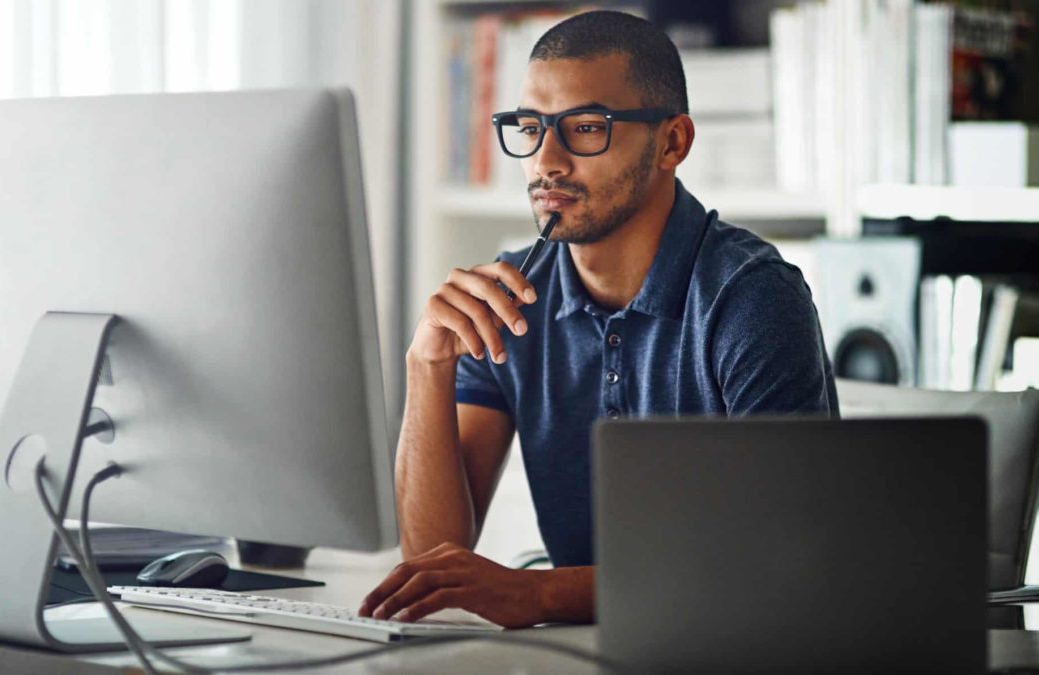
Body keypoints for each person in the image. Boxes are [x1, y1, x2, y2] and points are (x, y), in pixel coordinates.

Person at [359, 10, 838, 628]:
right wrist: (426, 363)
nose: (546, 161)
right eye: (530, 128)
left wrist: (538, 595)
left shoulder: (751, 298)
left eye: (585, 127)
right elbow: (431, 563)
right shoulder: (509, 297)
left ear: (672, 142)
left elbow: (779, 562)